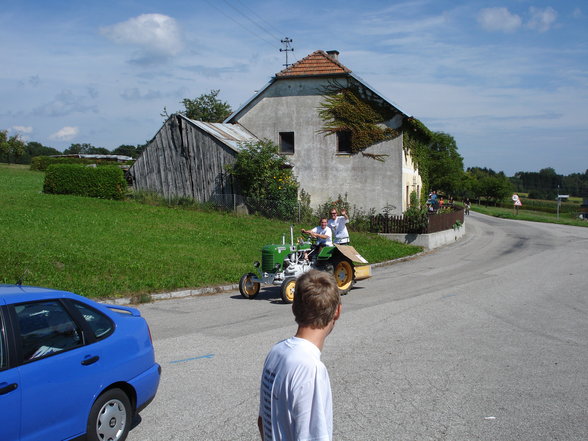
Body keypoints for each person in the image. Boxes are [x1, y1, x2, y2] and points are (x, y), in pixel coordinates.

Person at [258, 270, 342, 441]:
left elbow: (262, 422)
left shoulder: (276, 351)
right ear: (337, 311)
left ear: (294, 307)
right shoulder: (311, 369)